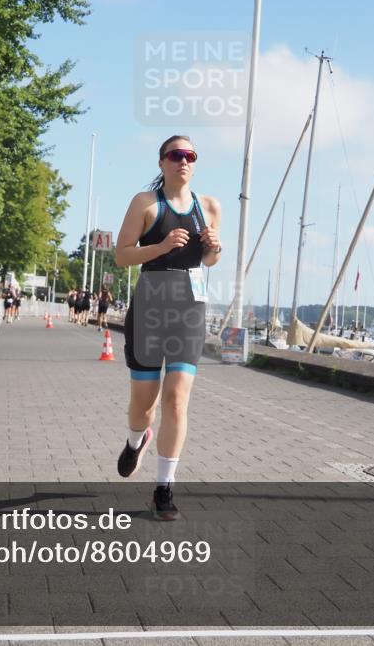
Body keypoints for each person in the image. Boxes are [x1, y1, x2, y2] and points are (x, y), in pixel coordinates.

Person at [114, 135, 222, 521]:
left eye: (191, 155)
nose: (184, 161)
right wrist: (160, 247)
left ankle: (164, 488)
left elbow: (208, 260)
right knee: (143, 405)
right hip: (149, 309)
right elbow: (122, 254)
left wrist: (214, 248)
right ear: (162, 163)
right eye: (176, 155)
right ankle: (135, 438)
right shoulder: (146, 203)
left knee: (176, 399)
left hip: (189, 312)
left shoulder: (209, 206)